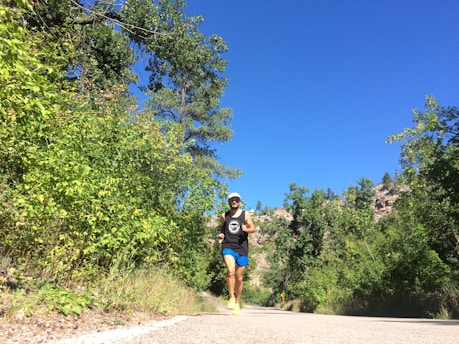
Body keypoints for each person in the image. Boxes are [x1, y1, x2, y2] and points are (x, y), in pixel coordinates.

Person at [219, 192, 255, 315]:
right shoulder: (224, 216)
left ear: (239, 202)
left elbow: (253, 228)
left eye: (236, 200)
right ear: (229, 202)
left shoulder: (246, 215)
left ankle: (238, 302)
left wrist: (247, 229)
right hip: (228, 246)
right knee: (230, 271)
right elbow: (222, 229)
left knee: (239, 278)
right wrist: (221, 234)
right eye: (232, 200)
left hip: (242, 249)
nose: (234, 202)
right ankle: (231, 297)